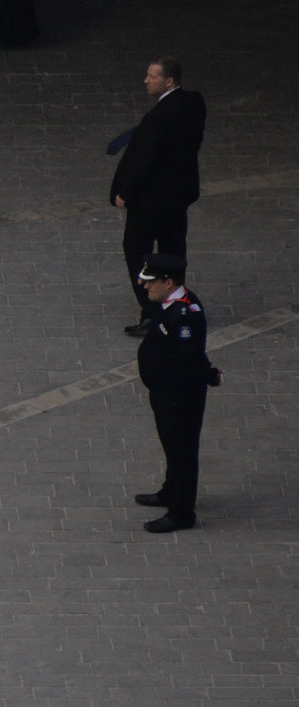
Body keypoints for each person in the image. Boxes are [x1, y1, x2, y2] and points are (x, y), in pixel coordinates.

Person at [109, 56, 205, 333]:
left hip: (152, 199)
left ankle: (151, 309)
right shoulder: (194, 103)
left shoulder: (158, 118)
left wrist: (125, 192)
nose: (146, 81)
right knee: (173, 249)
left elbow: (144, 160)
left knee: (136, 248)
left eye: (152, 76)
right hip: (179, 194)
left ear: (169, 81)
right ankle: (177, 304)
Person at [131, 253, 214, 533]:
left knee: (182, 451)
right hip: (164, 391)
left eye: (150, 281)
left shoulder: (185, 313)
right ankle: (170, 491)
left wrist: (210, 375)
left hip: (179, 395)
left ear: (168, 282)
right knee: (171, 445)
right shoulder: (169, 304)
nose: (145, 286)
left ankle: (181, 513)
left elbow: (191, 356)